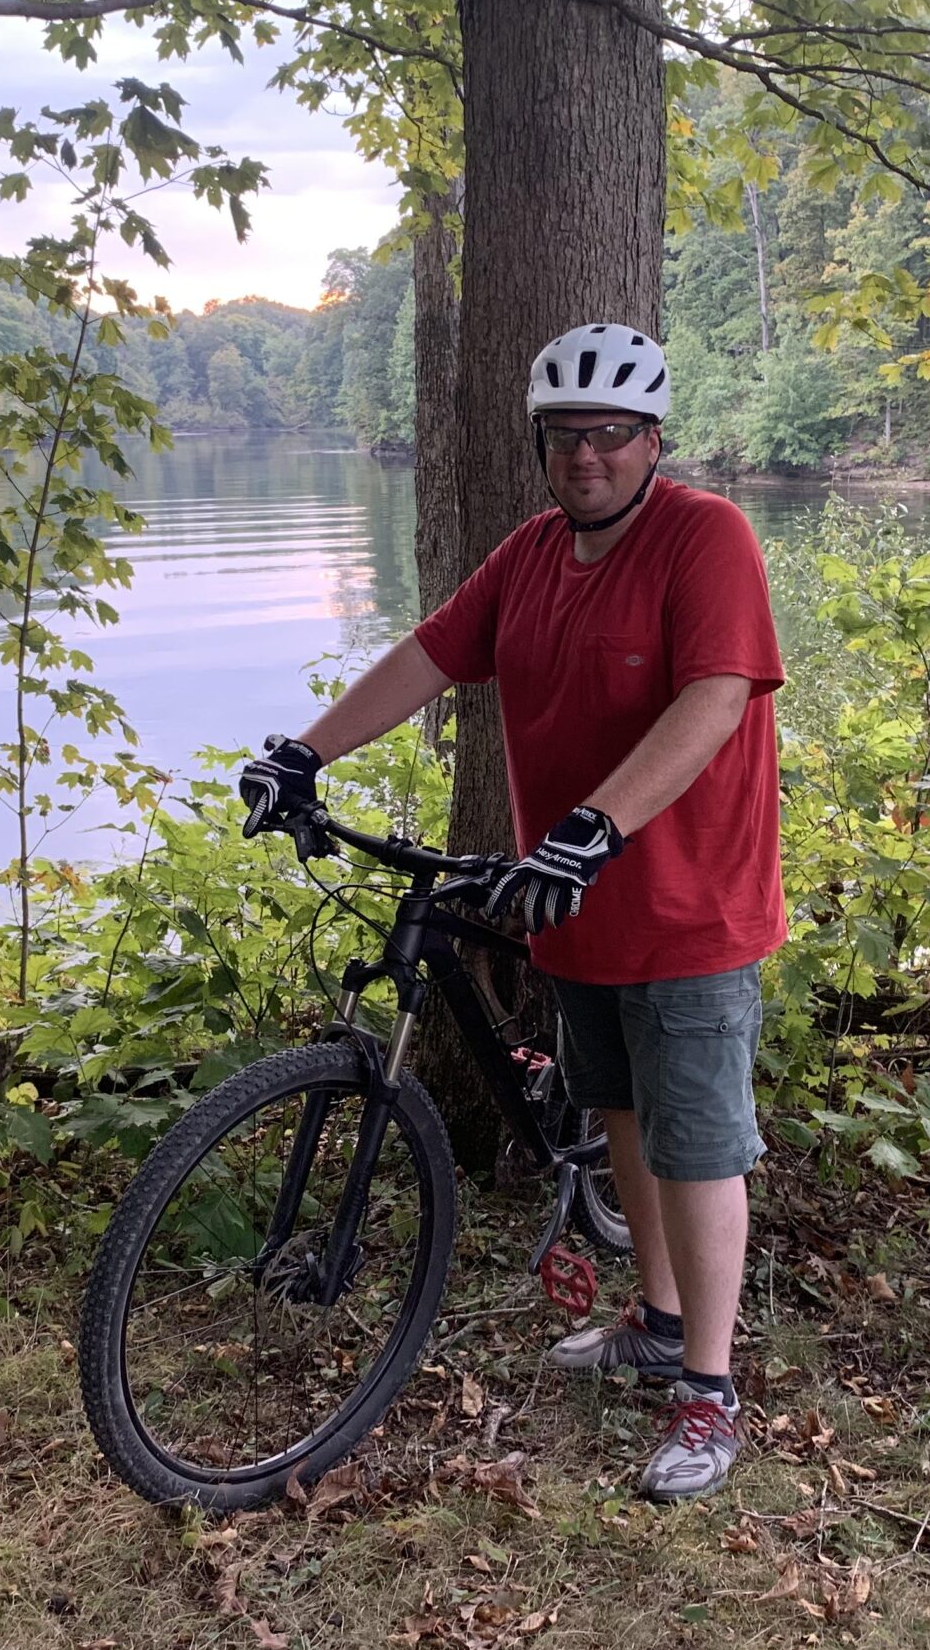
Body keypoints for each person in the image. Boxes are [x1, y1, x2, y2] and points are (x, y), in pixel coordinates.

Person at [235, 322, 786, 1502]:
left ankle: (708, 1389)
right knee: (621, 1116)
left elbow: (715, 698)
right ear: (540, 446)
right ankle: (653, 1317)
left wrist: (596, 825)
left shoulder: (707, 535)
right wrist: (302, 751)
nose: (585, 456)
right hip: (573, 905)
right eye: (563, 436)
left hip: (687, 901)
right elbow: (429, 655)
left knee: (695, 1146)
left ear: (651, 441)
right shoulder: (533, 554)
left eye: (609, 434)